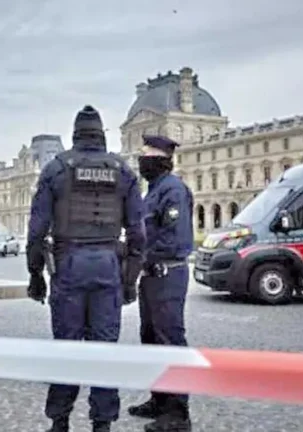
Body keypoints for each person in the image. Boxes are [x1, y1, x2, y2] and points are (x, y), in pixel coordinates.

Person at [26, 105, 146, 432]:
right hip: (109, 266)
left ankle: (60, 422)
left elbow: (36, 232)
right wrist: (130, 280)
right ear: (101, 136)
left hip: (68, 266)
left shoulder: (56, 169)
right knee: (104, 350)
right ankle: (102, 424)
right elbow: (138, 234)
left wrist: (36, 274)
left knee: (66, 348)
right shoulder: (123, 172)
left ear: (75, 135)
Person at [128, 135, 194, 432]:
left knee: (170, 340)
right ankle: (159, 399)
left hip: (168, 273)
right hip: (152, 275)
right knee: (151, 339)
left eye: (145, 156)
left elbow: (174, 238)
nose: (141, 162)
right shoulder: (154, 190)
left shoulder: (173, 190)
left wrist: (143, 254)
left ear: (159, 160)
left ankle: (178, 413)